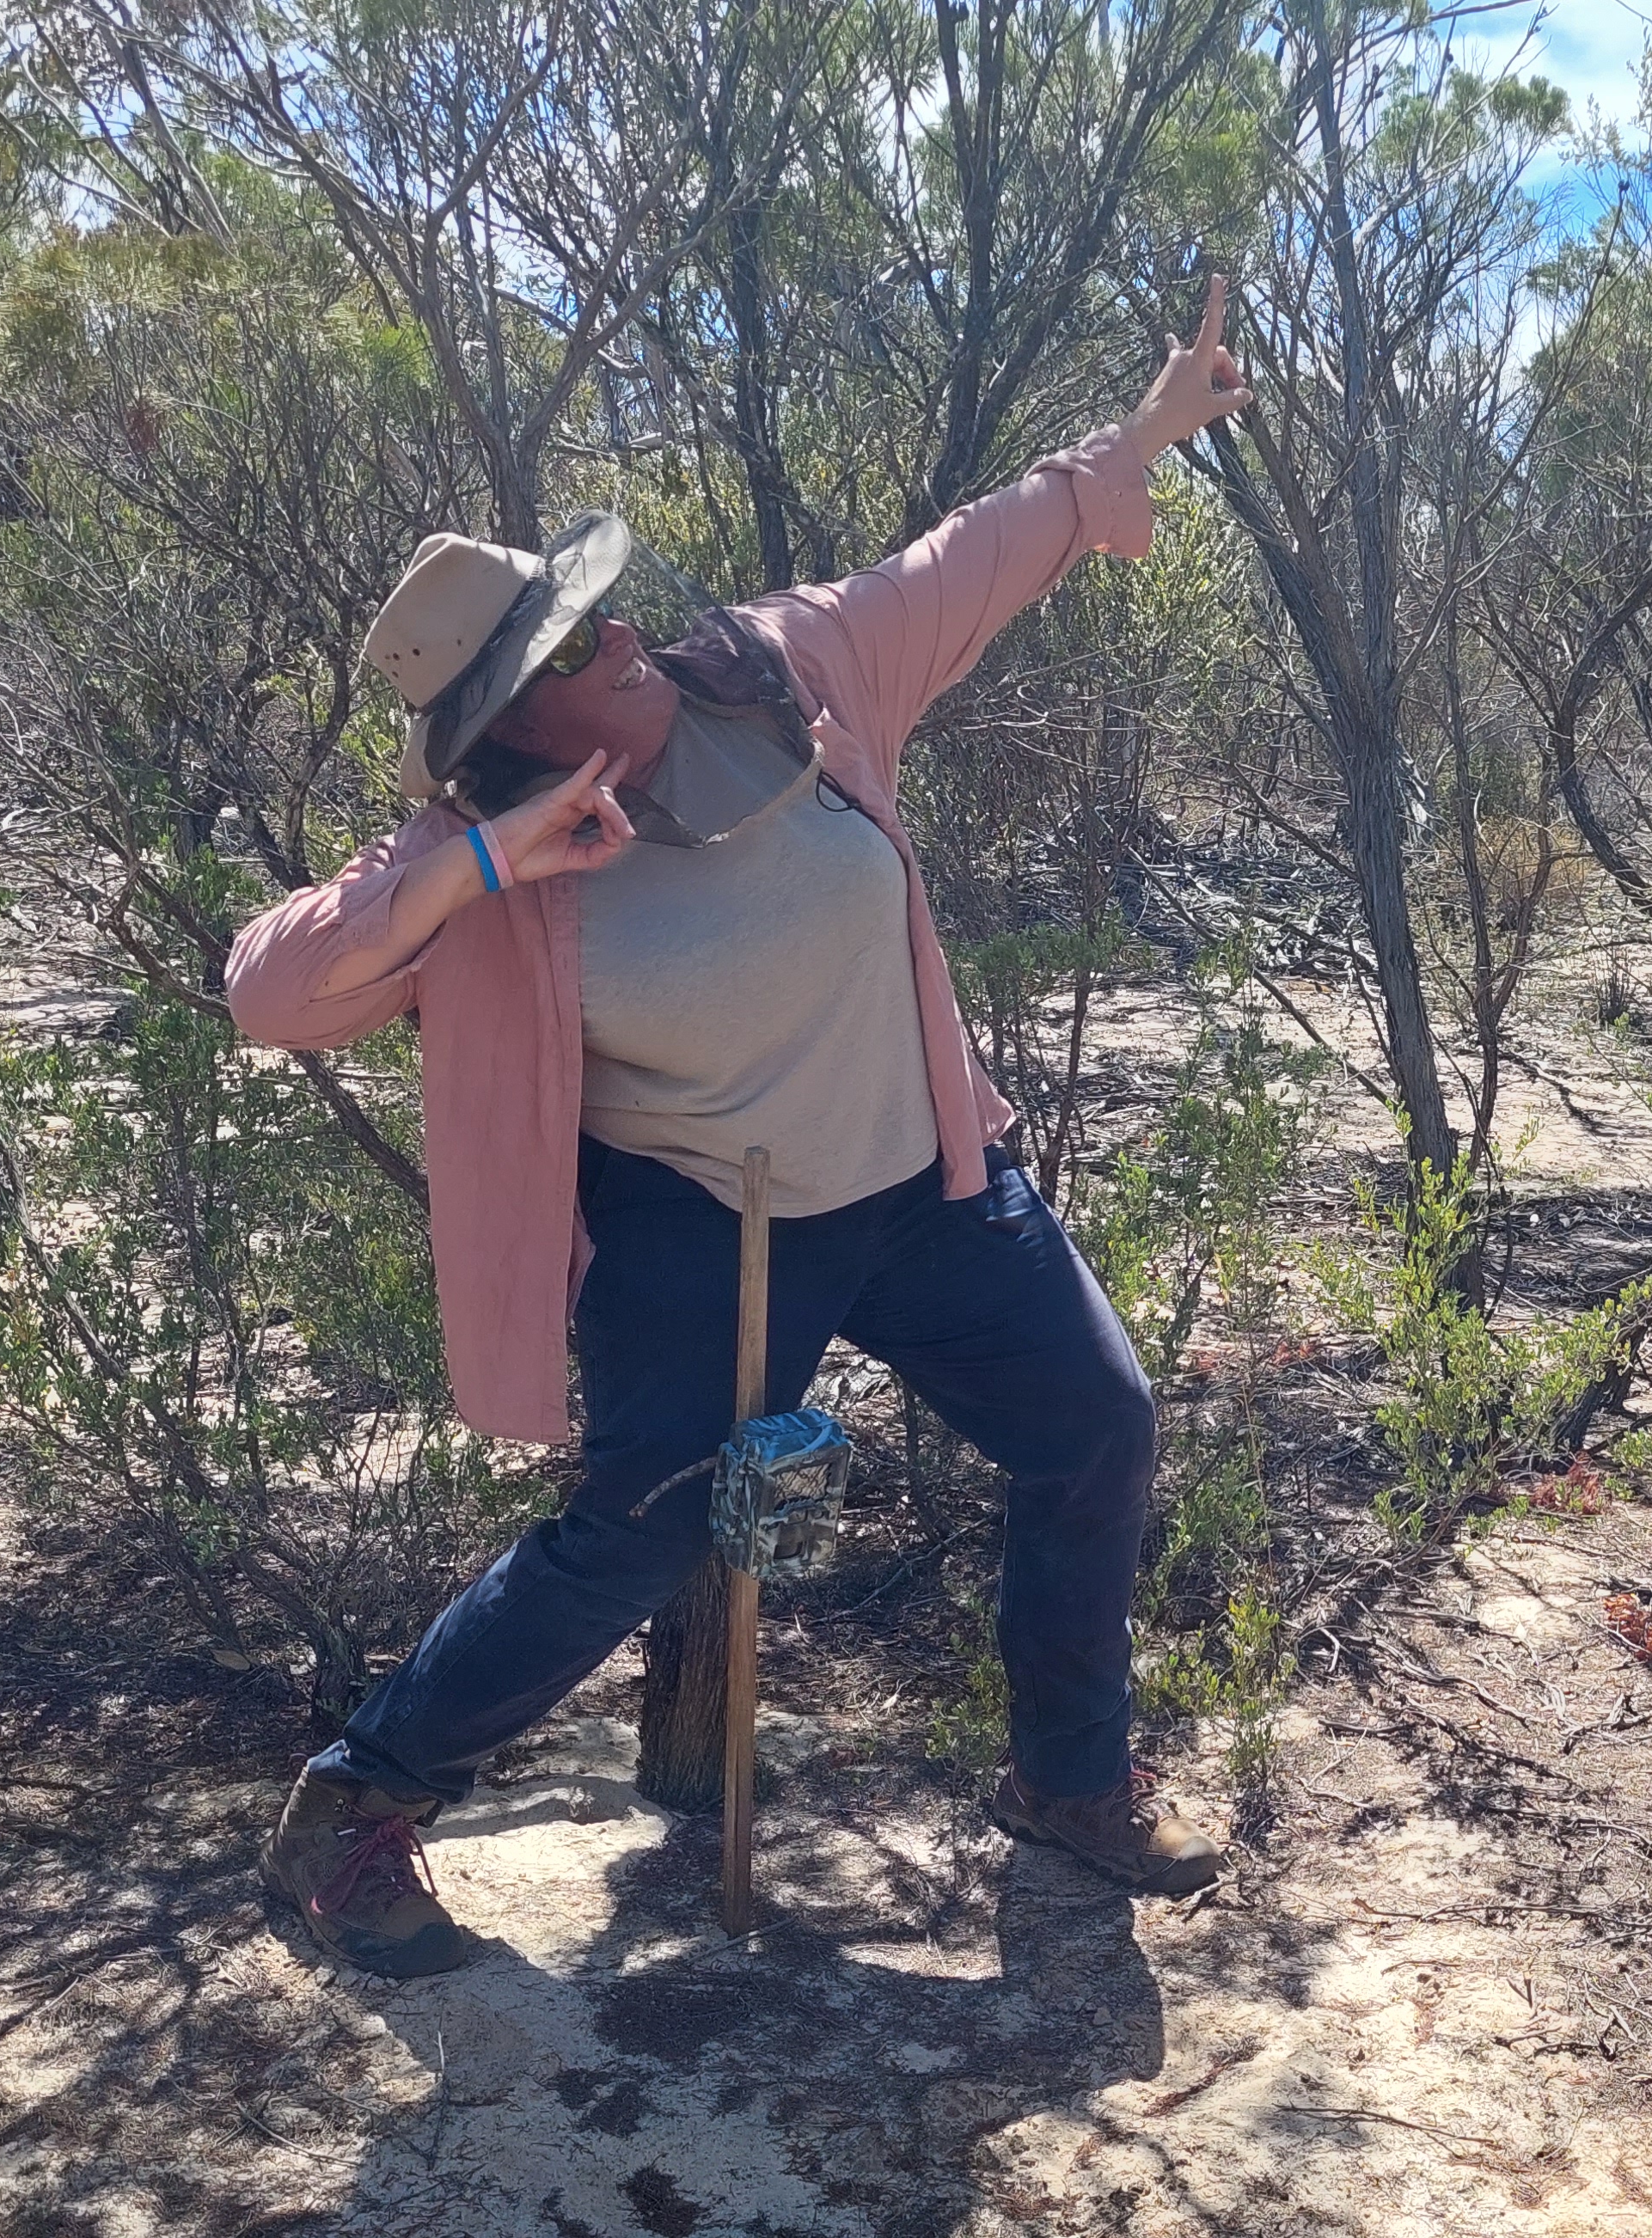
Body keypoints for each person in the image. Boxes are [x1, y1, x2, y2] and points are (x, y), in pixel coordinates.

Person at [225, 281, 1255, 1978]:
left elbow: (968, 553)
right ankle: (356, 1804)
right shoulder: (481, 864)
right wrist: (479, 869)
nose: (613, 643)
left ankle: (1063, 1782)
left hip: (922, 1176)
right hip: (708, 1222)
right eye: (563, 654)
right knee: (628, 1538)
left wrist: (1131, 445)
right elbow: (270, 992)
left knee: (1098, 1426)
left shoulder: (786, 673)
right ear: (503, 727)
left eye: (595, 616)